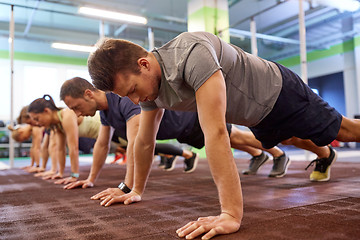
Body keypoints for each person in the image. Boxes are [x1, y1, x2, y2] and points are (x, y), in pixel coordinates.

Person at [86, 31, 360, 239]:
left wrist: (230, 214)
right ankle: (325, 153)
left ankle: (327, 149)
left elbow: (216, 133)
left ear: (144, 64)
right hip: (255, 115)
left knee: (344, 131)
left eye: (133, 90)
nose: (134, 101)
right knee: (288, 139)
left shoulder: (191, 53)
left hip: (278, 92)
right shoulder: (147, 89)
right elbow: (145, 142)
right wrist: (133, 189)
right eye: (127, 96)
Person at [60, 77, 287, 206]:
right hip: (181, 129)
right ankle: (262, 154)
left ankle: (279, 151)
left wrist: (126, 187)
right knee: (234, 140)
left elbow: (136, 142)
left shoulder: (122, 100)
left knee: (238, 137)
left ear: (89, 94)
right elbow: (101, 144)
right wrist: (90, 179)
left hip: (192, 119)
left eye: (76, 107)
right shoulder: (105, 111)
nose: (77, 115)